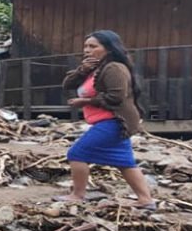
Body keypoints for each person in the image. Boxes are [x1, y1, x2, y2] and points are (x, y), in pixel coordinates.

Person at [56, 31, 155, 210]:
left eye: (93, 46)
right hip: (110, 122)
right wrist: (82, 69)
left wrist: (85, 101)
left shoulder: (114, 68)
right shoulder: (94, 69)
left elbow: (116, 96)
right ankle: (145, 200)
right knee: (125, 162)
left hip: (114, 121)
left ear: (109, 49)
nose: (87, 50)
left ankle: (77, 195)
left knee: (76, 154)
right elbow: (67, 85)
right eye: (86, 46)